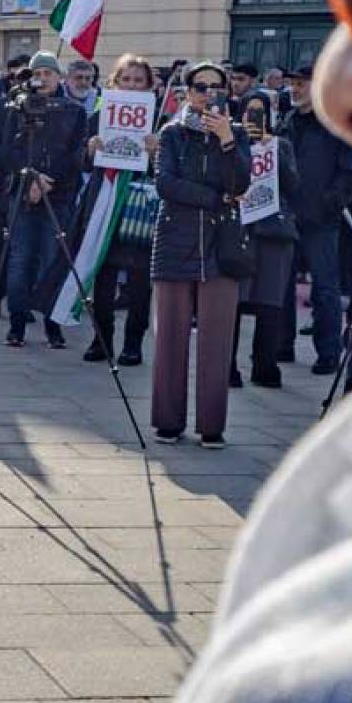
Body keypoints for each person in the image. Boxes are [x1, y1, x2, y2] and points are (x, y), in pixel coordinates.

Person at [150, 61, 250, 447]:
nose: (208, 93)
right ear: (187, 93)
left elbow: (241, 182)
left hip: (220, 245)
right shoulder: (172, 133)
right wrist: (215, 197)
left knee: (216, 340)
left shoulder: (236, 134)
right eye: (200, 86)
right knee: (171, 338)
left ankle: (212, 426)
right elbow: (166, 184)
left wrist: (226, 140)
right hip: (175, 241)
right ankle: (168, 422)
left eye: (216, 87)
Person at [0, 51, 88, 349]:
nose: (43, 79)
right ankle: (17, 324)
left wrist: (48, 181)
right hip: (20, 193)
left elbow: (76, 153)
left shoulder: (73, 110)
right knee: (19, 259)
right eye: (38, 73)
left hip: (58, 195)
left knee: (53, 259)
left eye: (48, 73)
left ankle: (52, 324)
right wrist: (27, 176)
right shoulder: (11, 106)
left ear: (59, 77)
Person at [82, 54, 160, 367]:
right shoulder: (98, 116)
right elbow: (80, 160)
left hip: (141, 211)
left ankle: (133, 343)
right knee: (102, 276)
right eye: (126, 79)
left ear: (149, 86)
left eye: (138, 80)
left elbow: (169, 171)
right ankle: (101, 339)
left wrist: (157, 154)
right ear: (114, 82)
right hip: (105, 205)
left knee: (140, 282)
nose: (131, 85)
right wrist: (90, 149)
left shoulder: (160, 122)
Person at [278, 61, 352, 374]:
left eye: (301, 83)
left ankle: (328, 353)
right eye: (292, 83)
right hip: (287, 215)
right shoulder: (289, 119)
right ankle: (281, 347)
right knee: (281, 287)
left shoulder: (335, 121)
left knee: (325, 289)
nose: (294, 89)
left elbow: (348, 168)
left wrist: (333, 199)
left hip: (322, 218)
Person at [229, 89, 298, 390]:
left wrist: (274, 152)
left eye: (260, 112)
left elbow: (294, 183)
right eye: (249, 111)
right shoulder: (230, 141)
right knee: (233, 302)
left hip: (274, 232)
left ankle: (264, 364)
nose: (253, 117)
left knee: (270, 302)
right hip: (241, 231)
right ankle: (227, 365)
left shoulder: (281, 145)